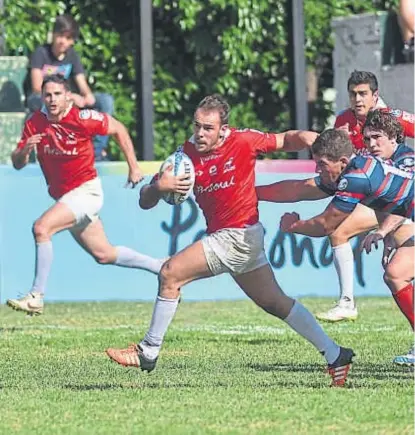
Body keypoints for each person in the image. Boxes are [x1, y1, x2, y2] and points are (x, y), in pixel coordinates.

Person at [105, 94, 355, 387]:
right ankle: (336, 354)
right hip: (238, 238)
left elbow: (286, 140)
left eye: (208, 128)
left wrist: (314, 139)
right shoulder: (184, 155)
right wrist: (159, 187)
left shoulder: (244, 141)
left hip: (238, 235)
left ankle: (148, 351)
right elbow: (144, 202)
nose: (200, 133)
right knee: (275, 303)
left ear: (224, 129)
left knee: (170, 274)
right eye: (197, 126)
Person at [257, 113, 414, 365]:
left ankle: (347, 302)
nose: (317, 170)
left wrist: (293, 225)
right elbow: (298, 189)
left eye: (320, 164)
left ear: (341, 161)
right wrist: (252, 193)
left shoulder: (355, 178)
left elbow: (325, 225)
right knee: (396, 273)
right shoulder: (351, 170)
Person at [7, 75, 164, 316]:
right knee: (104, 254)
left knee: (42, 228)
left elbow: (118, 128)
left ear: (68, 95)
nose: (52, 99)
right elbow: (17, 164)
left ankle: (36, 296)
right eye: (47, 95)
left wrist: (134, 167)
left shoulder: (82, 117)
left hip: (86, 192)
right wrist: (25, 151)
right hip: (66, 198)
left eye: (57, 94)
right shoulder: (34, 123)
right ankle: (161, 267)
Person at [314, 70, 415, 322]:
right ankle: (347, 301)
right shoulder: (343, 122)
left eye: (363, 94)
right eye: (352, 94)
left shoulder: (389, 119)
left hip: (394, 197)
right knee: (397, 270)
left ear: (375, 95)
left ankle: (347, 302)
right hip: (377, 200)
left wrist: (384, 230)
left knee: (338, 230)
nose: (357, 99)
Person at [26, 14, 114, 161]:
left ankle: (96, 151)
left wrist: (87, 96)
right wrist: (70, 98)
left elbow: (83, 85)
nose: (63, 41)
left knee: (105, 101)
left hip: (67, 98)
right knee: (41, 101)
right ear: (53, 35)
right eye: (60, 36)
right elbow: (36, 87)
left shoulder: (72, 56)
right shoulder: (40, 53)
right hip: (42, 98)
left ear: (72, 41)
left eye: (68, 38)